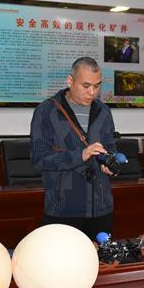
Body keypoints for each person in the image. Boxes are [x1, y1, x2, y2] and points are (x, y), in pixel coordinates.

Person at [30, 57, 116, 240]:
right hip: (64, 209)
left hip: (101, 208)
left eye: (97, 86)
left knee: (102, 258)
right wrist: (81, 155)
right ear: (70, 81)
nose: (92, 92)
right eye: (86, 86)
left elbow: (110, 148)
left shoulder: (104, 112)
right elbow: (39, 159)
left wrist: (111, 164)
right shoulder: (46, 111)